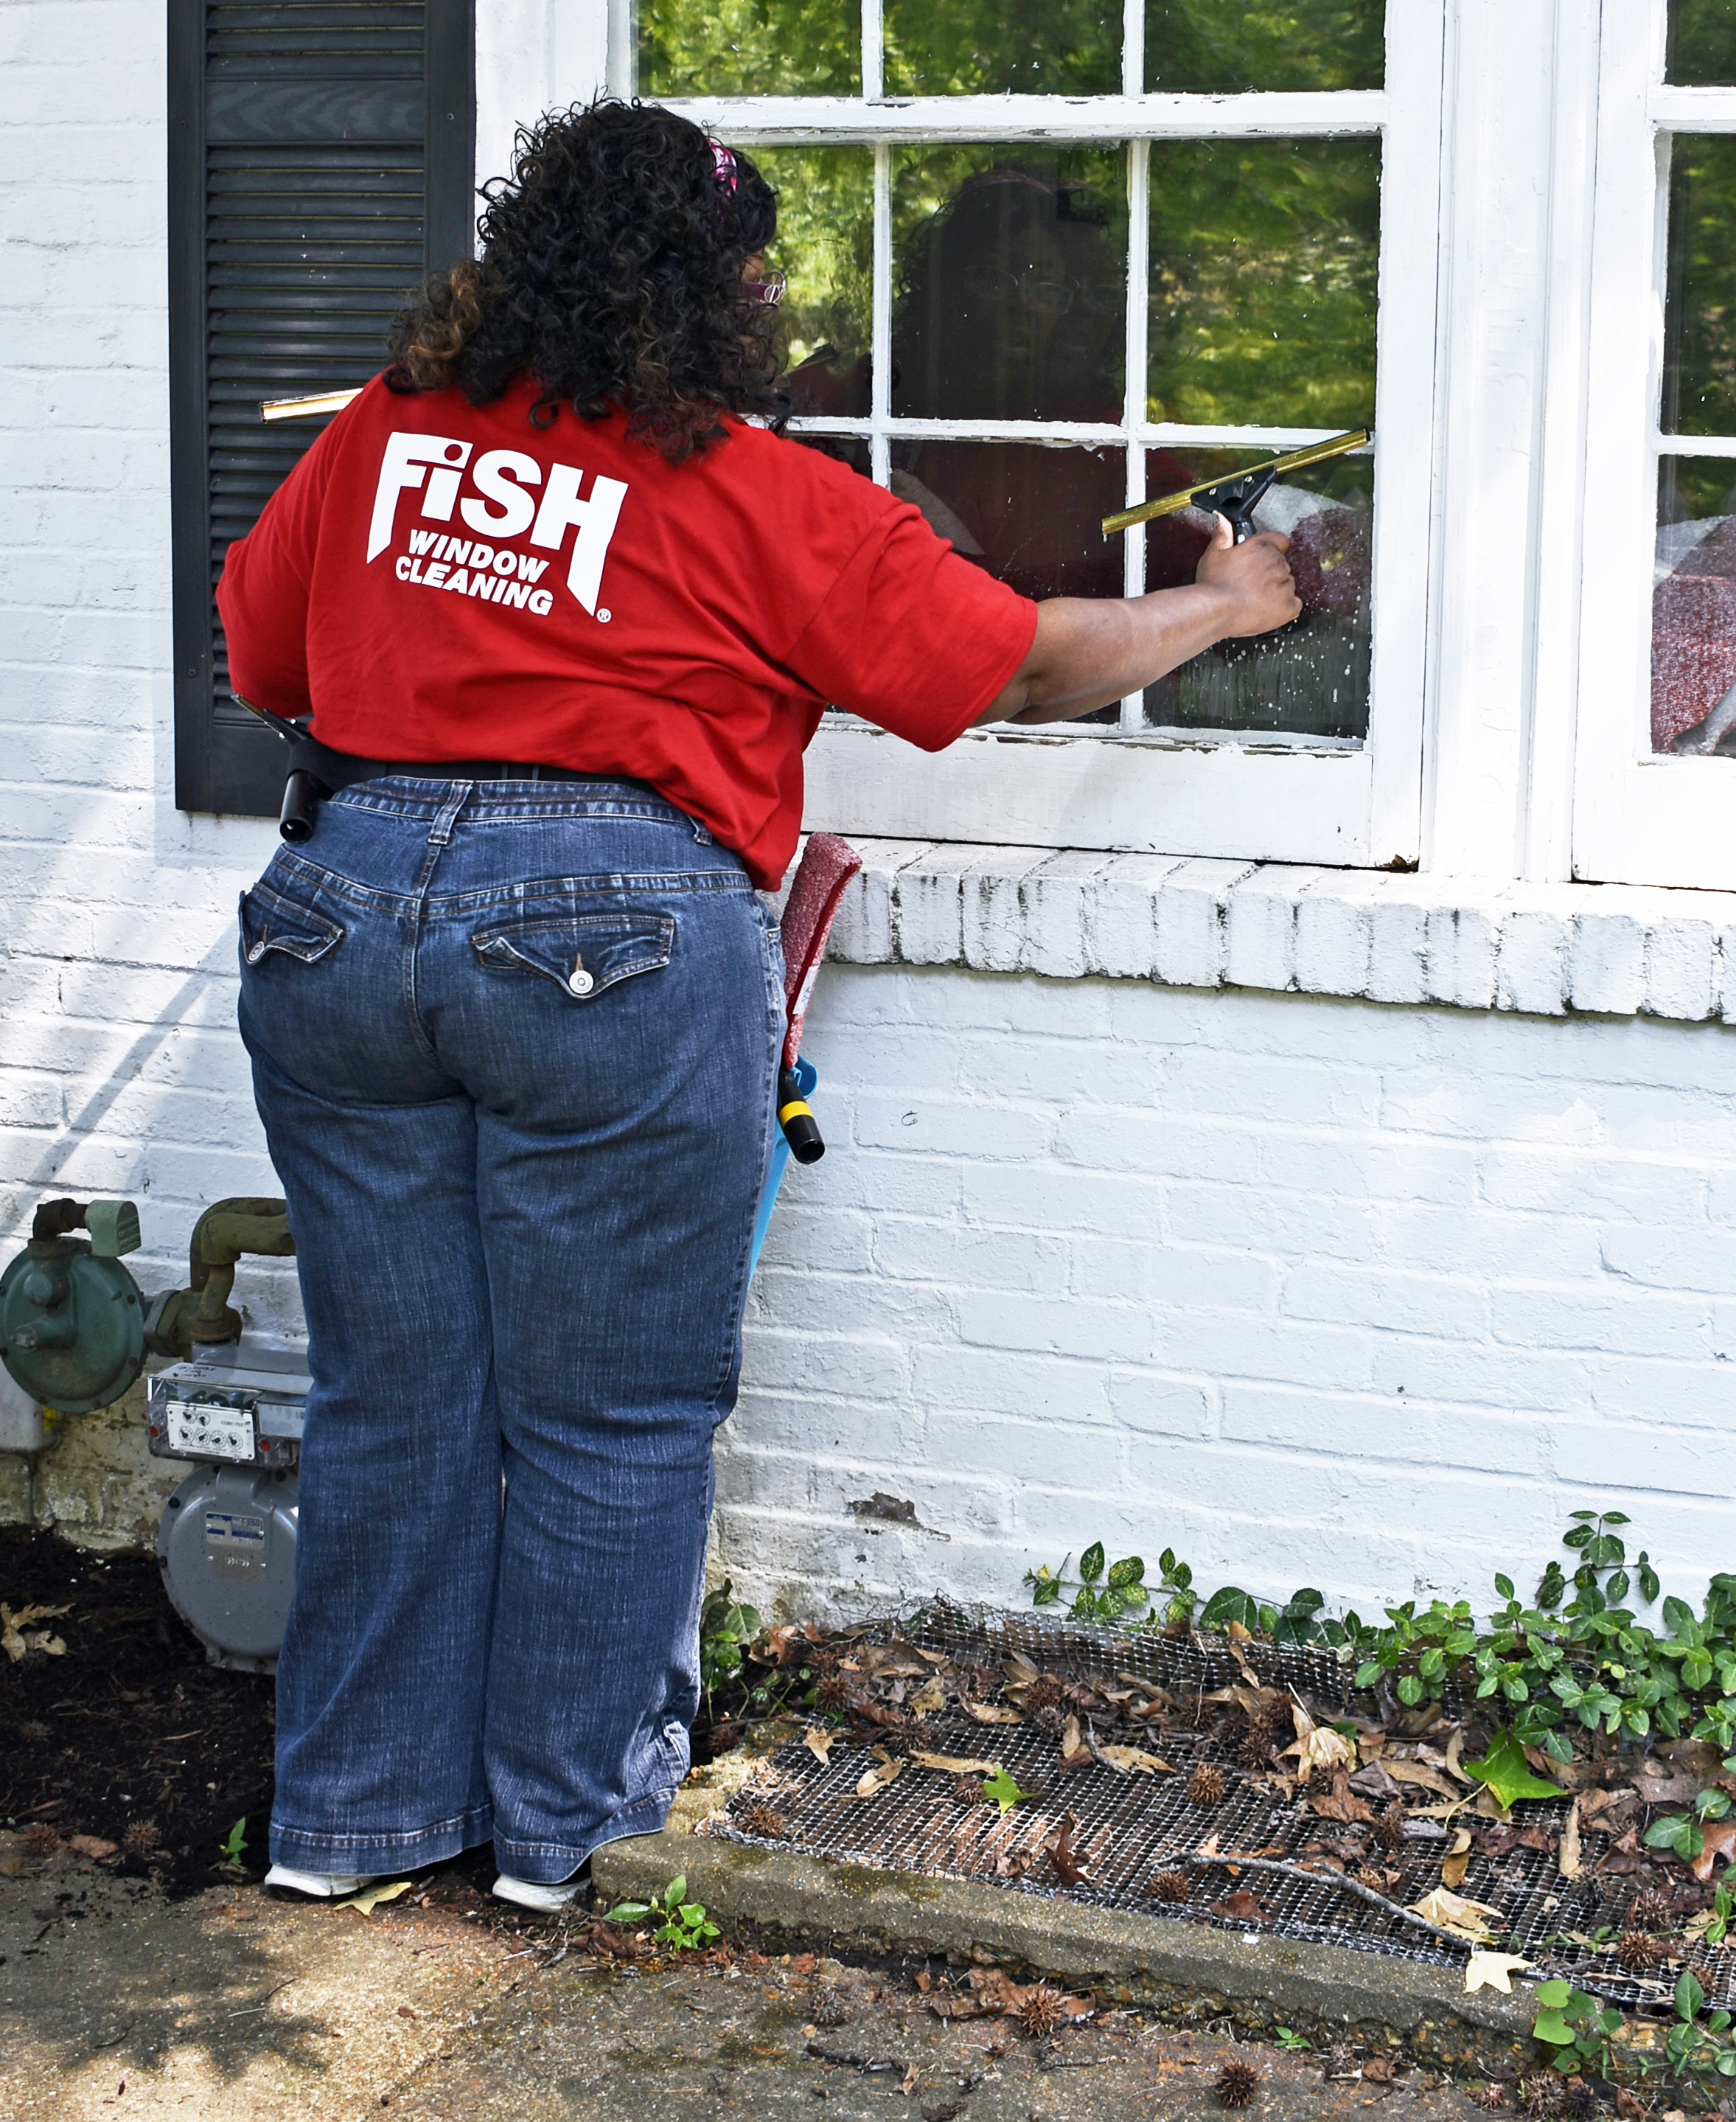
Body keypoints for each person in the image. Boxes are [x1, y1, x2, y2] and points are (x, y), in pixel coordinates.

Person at [215, 97, 1299, 1912]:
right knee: (610, 1411)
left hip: (336, 915)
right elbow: (1023, 664)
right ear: (717, 293)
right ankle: (569, 1830)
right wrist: (1225, 600)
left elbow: (264, 661)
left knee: (396, 1394)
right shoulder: (755, 489)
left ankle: (354, 1822)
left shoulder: (388, 433)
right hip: (609, 933)